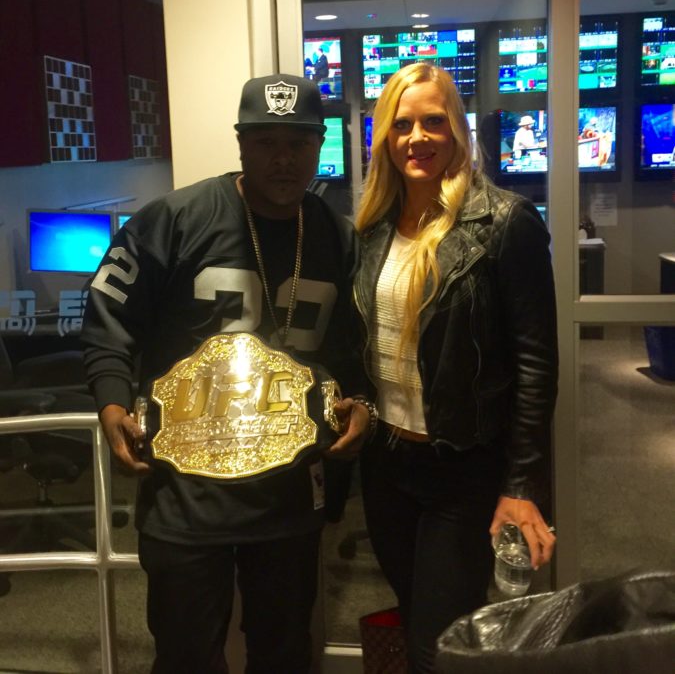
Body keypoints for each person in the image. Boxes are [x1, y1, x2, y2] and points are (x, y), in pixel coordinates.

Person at [81, 74, 371, 674]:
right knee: (186, 654)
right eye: (266, 141)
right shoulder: (174, 220)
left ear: (321, 144)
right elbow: (108, 316)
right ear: (240, 143)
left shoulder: (339, 238)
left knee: (286, 651)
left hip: (289, 488)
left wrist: (359, 400)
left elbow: (355, 348)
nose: (284, 158)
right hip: (185, 491)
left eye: (300, 141)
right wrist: (112, 403)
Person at [353, 63, 558, 674]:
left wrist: (521, 487)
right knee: (416, 612)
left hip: (462, 467)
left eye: (434, 121)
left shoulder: (506, 222)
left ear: (458, 130)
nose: (418, 137)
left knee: (436, 648)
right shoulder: (371, 229)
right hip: (387, 464)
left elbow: (535, 363)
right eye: (402, 124)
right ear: (385, 139)